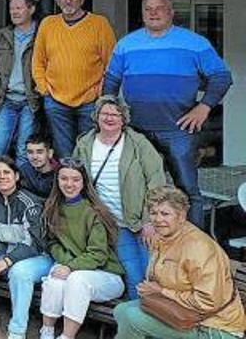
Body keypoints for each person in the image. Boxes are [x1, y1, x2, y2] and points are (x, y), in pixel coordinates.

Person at [103, 0, 232, 227]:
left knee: (187, 190)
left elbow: (221, 77)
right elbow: (111, 81)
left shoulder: (195, 43)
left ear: (172, 13)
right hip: (136, 129)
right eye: (148, 9)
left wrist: (204, 107)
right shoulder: (126, 44)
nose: (153, 13)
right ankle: (145, 239)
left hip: (178, 128)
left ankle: (194, 247)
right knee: (136, 186)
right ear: (142, 14)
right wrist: (109, 109)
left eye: (159, 8)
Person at [114, 186, 246, 339]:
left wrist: (161, 291)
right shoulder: (164, 237)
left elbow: (208, 302)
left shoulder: (198, 248)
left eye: (165, 214)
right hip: (185, 311)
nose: (158, 220)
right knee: (121, 310)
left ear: (181, 216)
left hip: (214, 326)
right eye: (153, 213)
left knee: (132, 319)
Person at [74, 95, 166, 298]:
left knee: (151, 272)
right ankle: (135, 323)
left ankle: (154, 322)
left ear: (124, 119)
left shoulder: (138, 143)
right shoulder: (84, 144)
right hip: (113, 224)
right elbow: (76, 181)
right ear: (96, 116)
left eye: (115, 114)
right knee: (133, 274)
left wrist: (150, 220)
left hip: (142, 223)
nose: (109, 118)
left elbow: (157, 182)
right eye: (104, 113)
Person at [37, 158, 125, 339]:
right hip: (72, 267)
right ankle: (46, 331)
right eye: (64, 178)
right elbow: (52, 243)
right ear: (57, 180)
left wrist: (70, 267)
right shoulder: (53, 207)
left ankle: (67, 336)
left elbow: (98, 255)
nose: (69, 184)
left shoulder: (94, 212)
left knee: (76, 279)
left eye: (75, 179)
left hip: (106, 275)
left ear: (84, 182)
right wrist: (65, 264)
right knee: (54, 280)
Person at [0, 157, 52, 339]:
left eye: (7, 172)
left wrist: (8, 260)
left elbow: (35, 243)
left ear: (16, 176)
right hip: (2, 250)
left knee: (19, 272)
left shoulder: (30, 202)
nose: (2, 176)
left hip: (36, 256)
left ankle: (17, 329)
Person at [32, 0, 116, 160]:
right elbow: (38, 61)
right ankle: (69, 187)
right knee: (64, 153)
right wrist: (44, 89)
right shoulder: (48, 24)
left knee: (89, 150)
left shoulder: (99, 23)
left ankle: (89, 187)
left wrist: (100, 92)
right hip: (55, 99)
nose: (68, 1)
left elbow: (111, 64)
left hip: (90, 100)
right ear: (56, 0)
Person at [0, 0, 41, 166]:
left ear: (31, 9)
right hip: (6, 99)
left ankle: (23, 188)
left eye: (19, 8)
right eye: (11, 9)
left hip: (30, 101)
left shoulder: (42, 34)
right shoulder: (3, 34)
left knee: (24, 150)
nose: (14, 12)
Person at [18, 133, 58, 198]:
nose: (34, 157)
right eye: (30, 152)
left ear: (50, 153)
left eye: (39, 152)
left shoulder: (58, 174)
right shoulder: (24, 170)